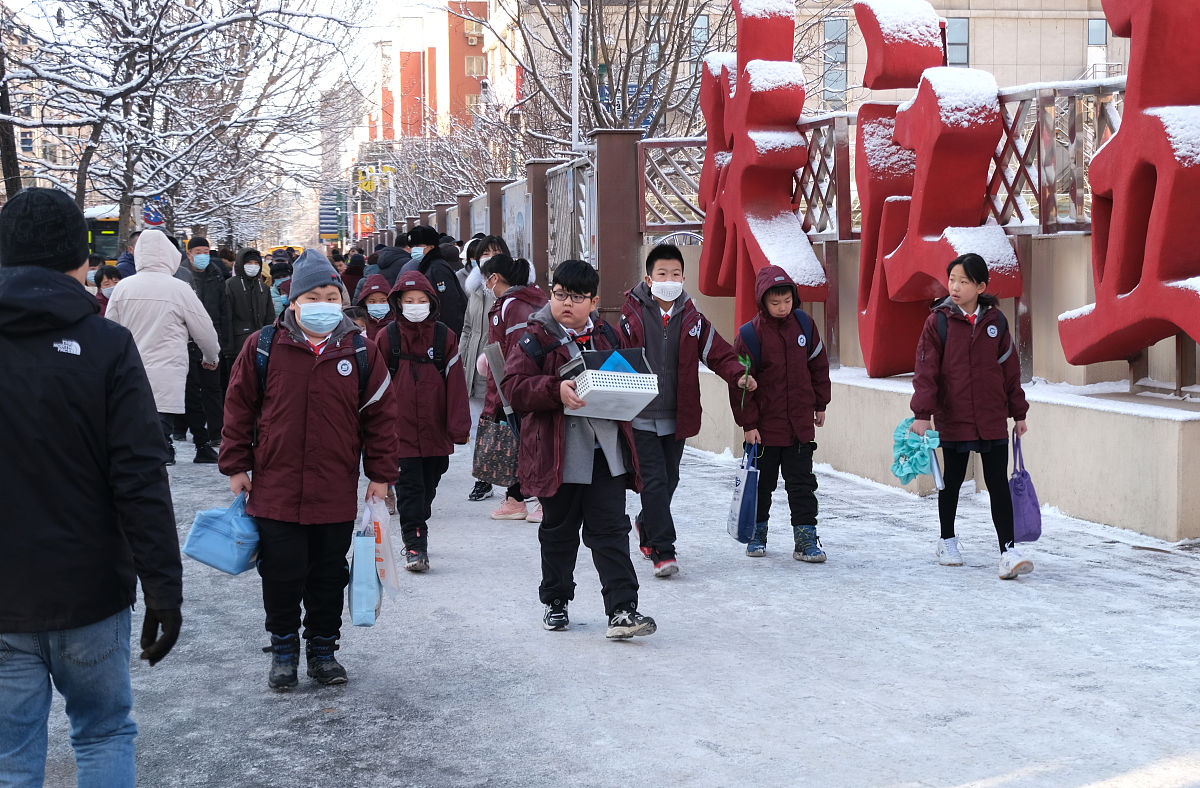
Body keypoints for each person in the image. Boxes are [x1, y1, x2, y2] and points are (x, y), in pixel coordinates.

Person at [0, 188, 182, 787]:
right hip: (92, 591)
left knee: (9, 754)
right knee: (103, 732)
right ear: (82, 261)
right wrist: (164, 590)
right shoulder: (106, 345)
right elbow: (139, 476)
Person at [220, 250, 400, 690]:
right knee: (280, 572)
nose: (323, 303)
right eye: (313, 296)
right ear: (294, 302)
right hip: (276, 488)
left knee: (327, 574)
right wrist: (236, 463)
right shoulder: (263, 346)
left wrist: (380, 475)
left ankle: (323, 649)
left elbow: (380, 416)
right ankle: (283, 650)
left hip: (333, 488)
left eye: (331, 295)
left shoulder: (360, 350)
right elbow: (239, 407)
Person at [501, 259, 656, 639]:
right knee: (559, 530)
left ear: (594, 300)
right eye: (559, 295)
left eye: (576, 297)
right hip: (559, 453)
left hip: (605, 450)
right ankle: (556, 601)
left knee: (611, 530)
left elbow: (628, 374)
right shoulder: (533, 337)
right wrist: (554, 390)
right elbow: (514, 387)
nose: (566, 303)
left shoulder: (607, 334)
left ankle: (622, 609)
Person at [620, 243, 754, 577]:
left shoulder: (693, 318)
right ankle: (663, 551)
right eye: (662, 273)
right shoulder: (630, 315)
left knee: (670, 478)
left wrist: (739, 375)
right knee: (653, 481)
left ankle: (645, 524)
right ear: (649, 278)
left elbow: (719, 353)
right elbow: (616, 357)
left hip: (677, 414)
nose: (669, 279)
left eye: (676, 274)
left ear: (683, 277)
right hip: (640, 414)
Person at [911, 252, 1032, 579]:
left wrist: (1018, 412)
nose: (955, 287)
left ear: (980, 286)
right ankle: (946, 540)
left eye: (963, 281)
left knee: (997, 484)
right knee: (951, 482)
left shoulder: (996, 322)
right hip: (954, 416)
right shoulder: (938, 321)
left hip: (992, 417)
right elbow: (926, 371)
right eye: (952, 279)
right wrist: (922, 413)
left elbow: (1010, 371)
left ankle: (1008, 550)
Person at [729, 265, 831, 562]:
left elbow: (818, 365)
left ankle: (806, 539)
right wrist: (748, 424)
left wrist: (821, 403)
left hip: (799, 426)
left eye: (787, 300)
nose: (782, 307)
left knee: (802, 485)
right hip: (764, 430)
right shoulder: (749, 335)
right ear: (762, 301)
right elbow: (741, 386)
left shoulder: (805, 326)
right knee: (762, 485)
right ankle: (756, 534)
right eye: (775, 303)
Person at [375, 271, 471, 572]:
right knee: (410, 490)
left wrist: (459, 428)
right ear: (399, 304)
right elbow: (375, 388)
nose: (415, 305)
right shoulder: (386, 337)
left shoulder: (445, 337)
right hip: (398, 432)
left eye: (421, 300)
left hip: (435, 430)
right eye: (408, 300)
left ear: (431, 303)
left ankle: (418, 519)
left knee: (429, 484)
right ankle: (415, 544)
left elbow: (456, 385)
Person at [105, 229, 221, 466]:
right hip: (167, 370)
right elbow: (204, 329)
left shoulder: (124, 288)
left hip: (130, 370)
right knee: (160, 422)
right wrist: (211, 355)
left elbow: (108, 331)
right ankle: (160, 456)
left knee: (136, 427)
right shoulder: (179, 289)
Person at [477, 253, 548, 518]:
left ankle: (539, 500)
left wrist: (500, 392)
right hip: (539, 382)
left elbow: (508, 351)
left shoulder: (508, 305)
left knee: (525, 442)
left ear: (494, 278)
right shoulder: (536, 298)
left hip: (517, 384)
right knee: (528, 441)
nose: (486, 285)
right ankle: (517, 498)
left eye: (486, 280)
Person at [179, 236, 228, 462]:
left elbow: (222, 308)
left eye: (206, 251)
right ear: (189, 254)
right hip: (187, 341)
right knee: (190, 389)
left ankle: (215, 432)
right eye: (198, 251)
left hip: (212, 336)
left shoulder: (216, 275)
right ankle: (184, 429)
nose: (202, 256)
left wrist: (221, 340)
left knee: (212, 387)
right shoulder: (181, 277)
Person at [222, 248, 275, 372]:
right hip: (238, 346)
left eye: (256, 263)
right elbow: (227, 317)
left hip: (260, 345)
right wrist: (228, 347)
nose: (253, 266)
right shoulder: (230, 285)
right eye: (249, 263)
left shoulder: (263, 287)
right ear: (241, 264)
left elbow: (269, 317)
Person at [354, 273, 394, 340]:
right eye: (372, 301)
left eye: (383, 301)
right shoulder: (360, 321)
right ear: (365, 302)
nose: (378, 304)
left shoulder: (396, 321)